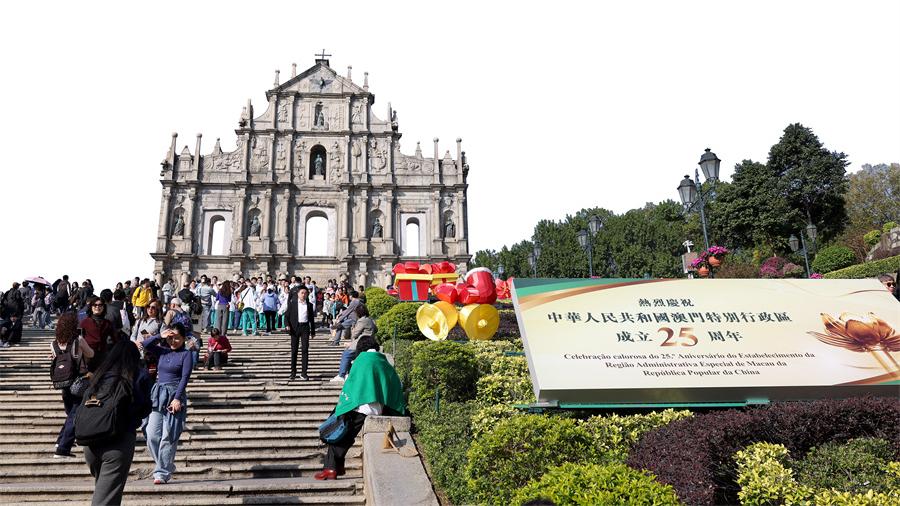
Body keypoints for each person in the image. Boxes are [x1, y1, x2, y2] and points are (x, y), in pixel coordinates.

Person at [314, 336, 406, 480]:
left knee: (337, 434)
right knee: (345, 435)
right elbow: (396, 384)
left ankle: (330, 469)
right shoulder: (383, 361)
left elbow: (351, 385)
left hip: (361, 407)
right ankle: (338, 467)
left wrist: (343, 404)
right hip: (378, 407)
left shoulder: (361, 360)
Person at [82, 340, 152, 505]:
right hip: (119, 441)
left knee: (107, 493)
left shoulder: (100, 374)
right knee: (105, 500)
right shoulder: (139, 374)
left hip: (90, 441)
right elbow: (144, 408)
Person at [139, 323, 192, 485]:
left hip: (175, 394)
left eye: (177, 338)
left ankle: (162, 472)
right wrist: (159, 336)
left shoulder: (186, 354)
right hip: (158, 394)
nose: (174, 341)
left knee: (168, 436)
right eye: (171, 338)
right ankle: (166, 465)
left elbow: (185, 377)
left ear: (183, 338)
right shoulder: (162, 351)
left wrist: (177, 398)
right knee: (152, 434)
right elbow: (144, 345)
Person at [49, 312, 94, 458]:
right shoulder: (78, 340)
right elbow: (91, 354)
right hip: (77, 383)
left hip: (62, 382)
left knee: (71, 414)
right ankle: (63, 448)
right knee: (75, 415)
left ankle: (59, 441)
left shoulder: (54, 343)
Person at [331, 304, 376, 382]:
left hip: (362, 343)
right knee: (350, 354)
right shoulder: (370, 319)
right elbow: (376, 329)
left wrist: (353, 328)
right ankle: (348, 374)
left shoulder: (362, 320)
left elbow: (355, 333)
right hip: (370, 342)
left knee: (347, 354)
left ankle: (342, 375)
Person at [286, 286, 316, 380]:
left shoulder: (310, 305)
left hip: (305, 328)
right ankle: (293, 372)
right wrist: (287, 325)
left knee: (305, 350)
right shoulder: (292, 303)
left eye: (305, 293)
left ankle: (304, 373)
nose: (303, 295)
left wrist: (313, 331)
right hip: (295, 328)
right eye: (302, 293)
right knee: (294, 351)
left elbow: (311, 319)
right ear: (298, 294)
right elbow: (286, 316)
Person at [79, 296, 116, 371]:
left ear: (103, 307)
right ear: (91, 307)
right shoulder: (85, 322)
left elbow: (115, 339)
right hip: (88, 354)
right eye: (95, 305)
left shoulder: (107, 323)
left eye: (100, 305)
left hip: (103, 355)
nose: (97, 307)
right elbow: (78, 338)